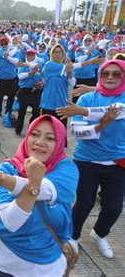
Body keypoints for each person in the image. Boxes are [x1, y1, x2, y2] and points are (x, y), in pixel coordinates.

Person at [0, 115, 79, 276]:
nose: (40, 142)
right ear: (26, 137)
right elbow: (11, 222)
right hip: (4, 263)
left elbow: (45, 189)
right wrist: (33, 183)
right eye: (34, 134)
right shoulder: (7, 168)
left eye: (50, 138)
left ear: (59, 144)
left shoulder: (67, 169)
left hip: (48, 267)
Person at [57, 59, 125, 259]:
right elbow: (77, 133)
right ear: (99, 76)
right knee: (84, 203)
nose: (110, 77)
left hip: (118, 162)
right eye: (105, 74)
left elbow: (118, 111)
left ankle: (99, 234)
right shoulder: (87, 98)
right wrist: (100, 126)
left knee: (113, 207)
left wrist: (82, 113)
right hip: (87, 160)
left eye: (116, 74)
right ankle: (73, 236)